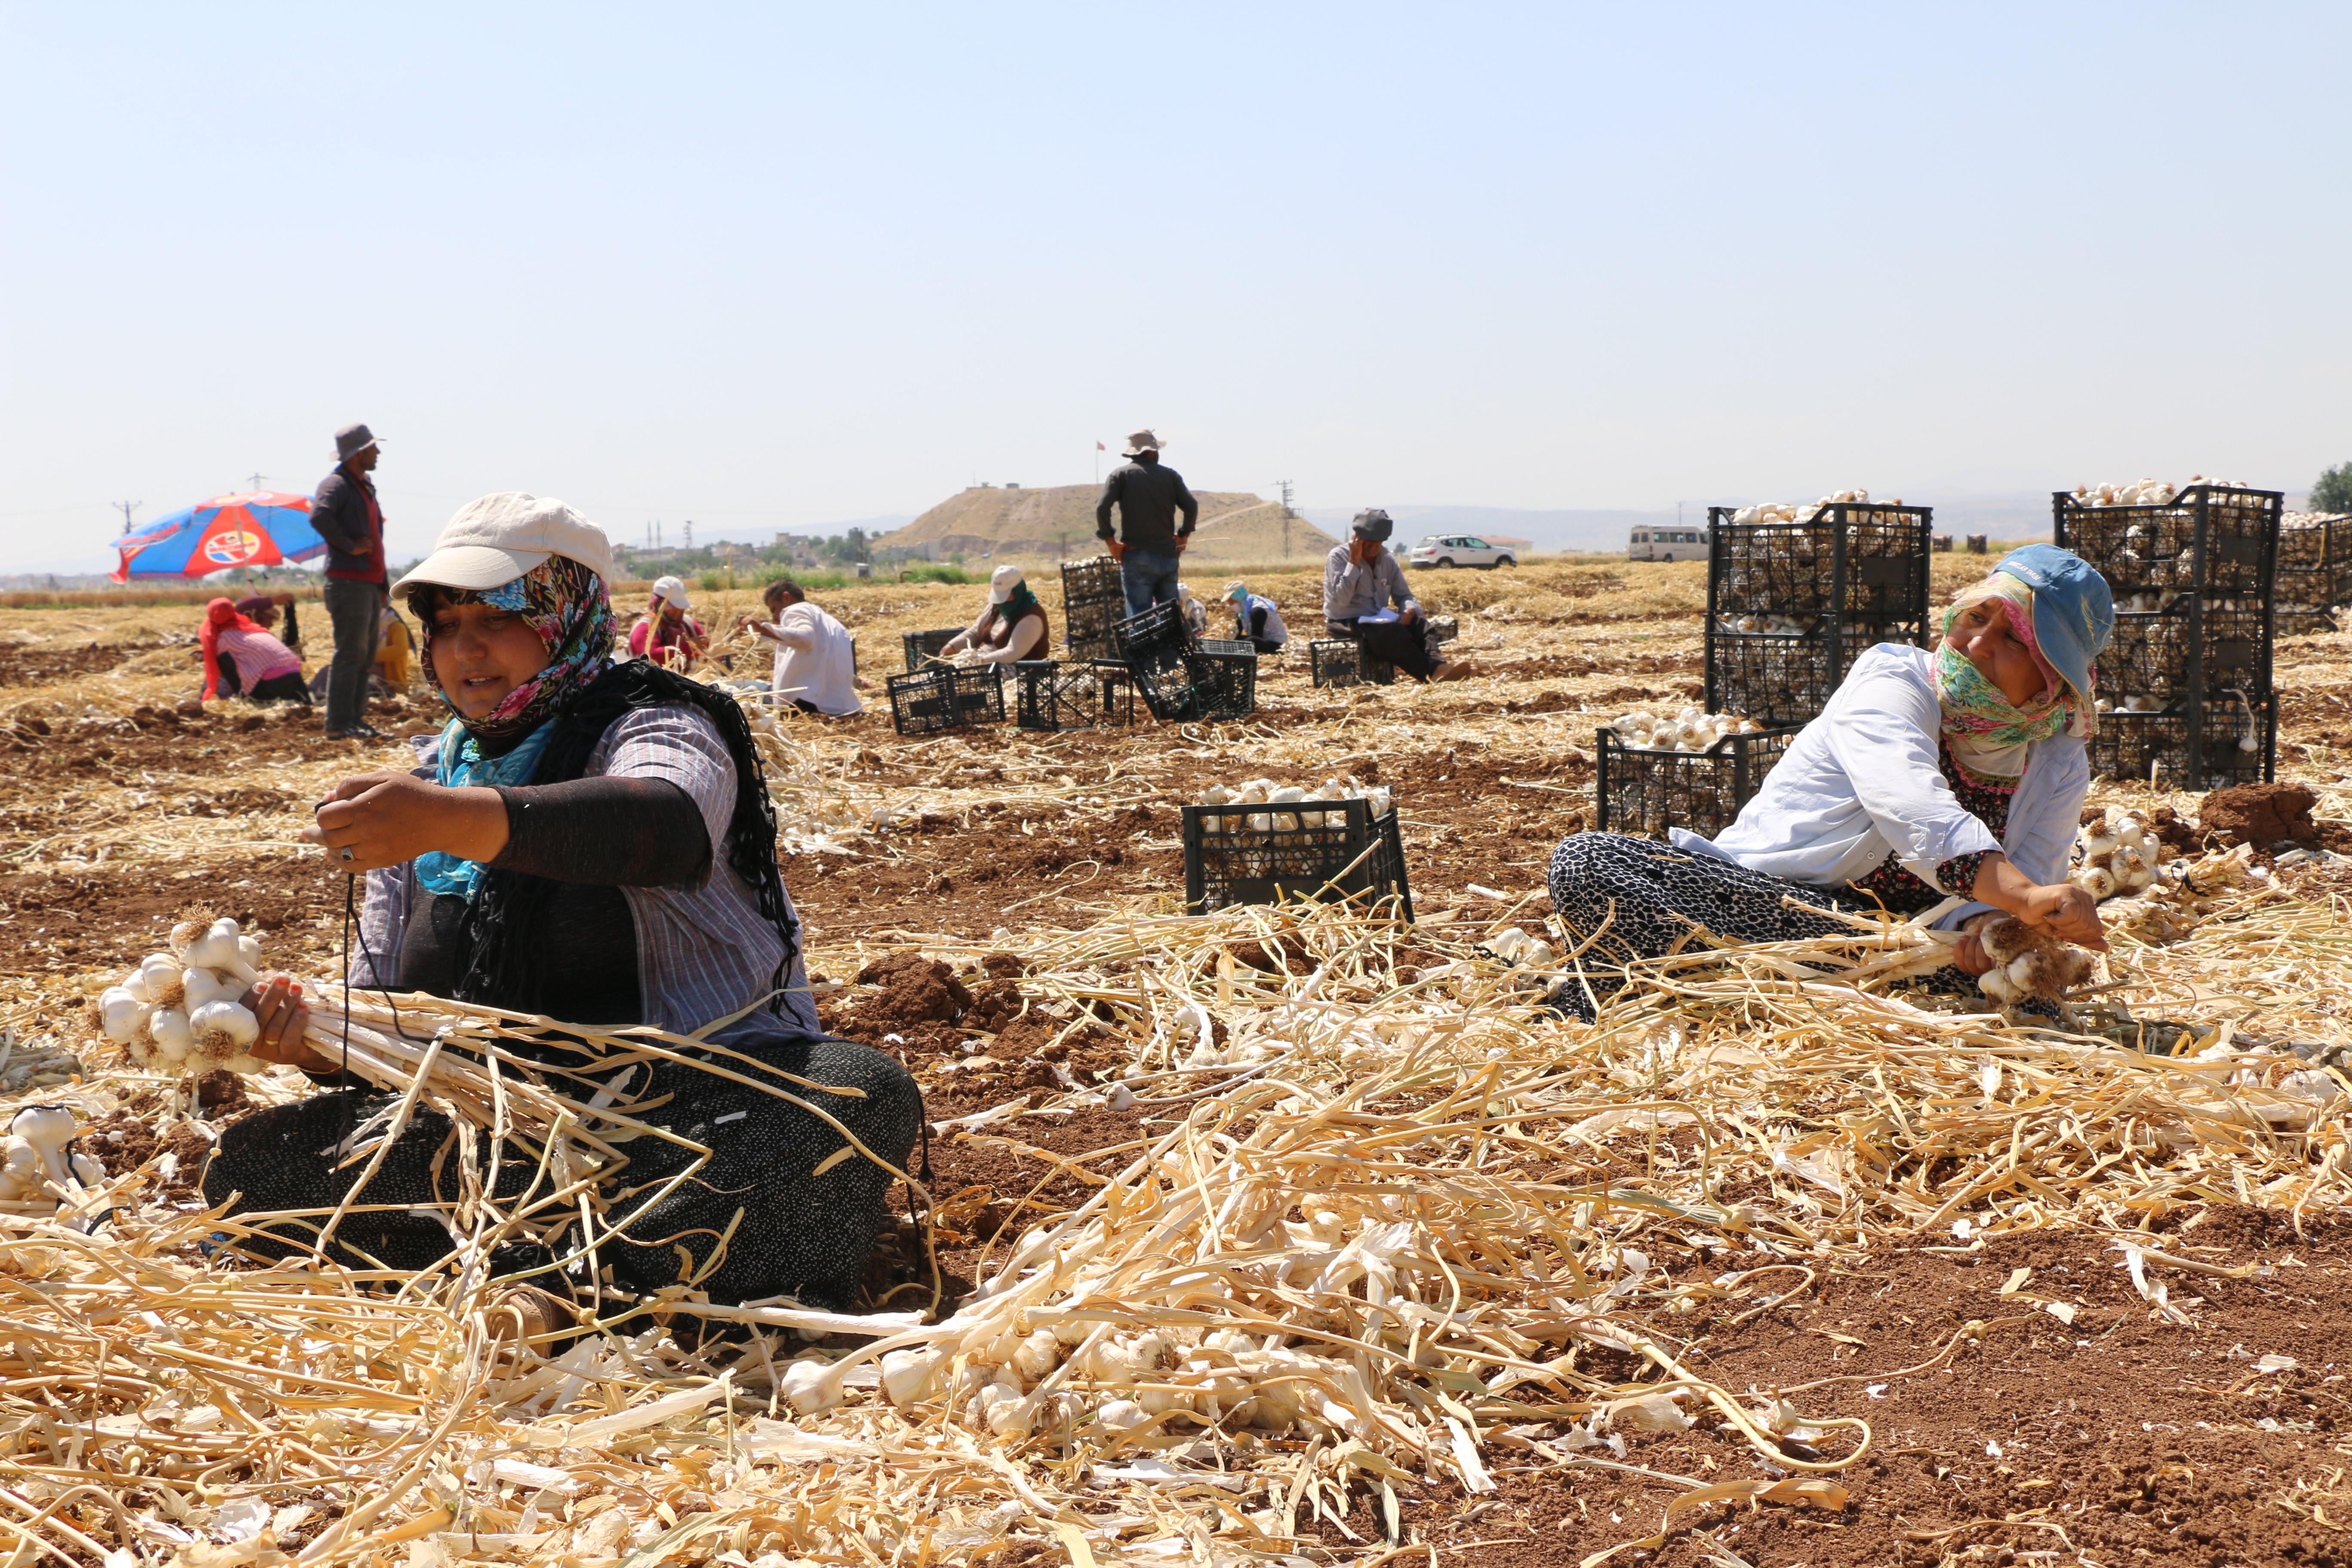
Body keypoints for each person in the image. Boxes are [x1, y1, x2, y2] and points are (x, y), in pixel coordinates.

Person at [204, 493, 917, 1314]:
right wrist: (315, 1040)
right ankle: (591, 1280)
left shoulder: (658, 722)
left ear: (566, 615)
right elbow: (383, 1014)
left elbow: (666, 825)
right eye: (442, 623)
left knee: (851, 1098)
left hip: (689, 1111)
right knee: (257, 1164)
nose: (462, 649)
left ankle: (564, 1285)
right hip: (500, 1132)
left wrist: (446, 817)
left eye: (496, 618)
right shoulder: (427, 778)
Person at [1544, 544, 2116, 1021]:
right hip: (1768, 906)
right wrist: (2022, 899)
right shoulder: (1893, 679)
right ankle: (1778, 983)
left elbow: (2030, 893)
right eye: (1974, 617)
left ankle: (1764, 988)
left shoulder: (2057, 758)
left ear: (2052, 680)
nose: (1978, 643)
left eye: (2013, 638)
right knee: (1588, 860)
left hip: (1898, 946)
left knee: (2033, 994)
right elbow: (1913, 805)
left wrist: (1993, 934)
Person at [1323, 509, 1473, 682]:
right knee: (1390, 633)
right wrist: (1354, 562)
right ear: (1356, 539)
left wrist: (1409, 610)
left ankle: (1438, 666)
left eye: (1377, 545)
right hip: (1346, 621)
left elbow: (1404, 595)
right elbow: (1342, 600)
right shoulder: (1339, 557)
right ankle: (1430, 674)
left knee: (1421, 624)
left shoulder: (1387, 560)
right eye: (1367, 544)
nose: (1372, 549)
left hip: (1378, 620)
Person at [312, 423, 389, 740]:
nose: (379, 452)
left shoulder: (364, 485)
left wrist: (382, 586)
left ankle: (355, 720)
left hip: (368, 584)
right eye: (373, 448)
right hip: (349, 583)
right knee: (351, 654)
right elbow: (320, 515)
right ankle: (339, 725)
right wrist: (349, 545)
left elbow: (376, 537)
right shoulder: (336, 484)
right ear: (359, 454)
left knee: (366, 656)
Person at [1095, 429, 1198, 619]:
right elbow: (1191, 506)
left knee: (1139, 618)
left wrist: (1111, 542)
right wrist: (1183, 536)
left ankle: (1145, 649)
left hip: (1137, 557)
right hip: (1168, 556)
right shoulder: (1171, 476)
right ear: (1152, 452)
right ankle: (1170, 649)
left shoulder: (1121, 475)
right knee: (1170, 618)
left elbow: (1102, 508)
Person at [742, 577, 862, 716]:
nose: (775, 617)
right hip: (837, 705)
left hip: (803, 703)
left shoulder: (796, 609)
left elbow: (805, 639)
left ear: (787, 598)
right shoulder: (832, 622)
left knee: (734, 687)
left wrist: (763, 629)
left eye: (774, 609)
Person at [199, 597, 308, 704]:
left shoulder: (224, 638)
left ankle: (245, 699)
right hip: (298, 682)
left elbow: (220, 669)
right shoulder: (252, 628)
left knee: (223, 658)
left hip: (273, 687)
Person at [940, 564, 1051, 665]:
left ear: (1018, 591)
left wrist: (981, 661)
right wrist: (952, 646)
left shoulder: (1031, 618)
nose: (1001, 600)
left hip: (1017, 670)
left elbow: (1012, 652)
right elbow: (976, 632)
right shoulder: (997, 606)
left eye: (1006, 596)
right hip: (984, 659)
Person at [629, 575, 708, 672]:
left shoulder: (688, 624)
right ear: (657, 604)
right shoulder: (645, 626)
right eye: (672, 608)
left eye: (680, 607)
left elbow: (708, 648)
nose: (677, 611)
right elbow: (652, 656)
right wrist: (689, 647)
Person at [1224, 580, 1288, 654]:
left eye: (1232, 602)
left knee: (1253, 641)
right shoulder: (1242, 613)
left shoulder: (1258, 611)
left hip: (1278, 646)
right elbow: (1239, 632)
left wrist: (1236, 638)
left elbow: (1257, 638)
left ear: (1239, 597)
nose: (1231, 606)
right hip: (1263, 642)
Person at [375, 602, 415, 692]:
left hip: (391, 686)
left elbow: (400, 650)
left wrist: (366, 658)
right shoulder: (365, 629)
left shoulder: (397, 627)